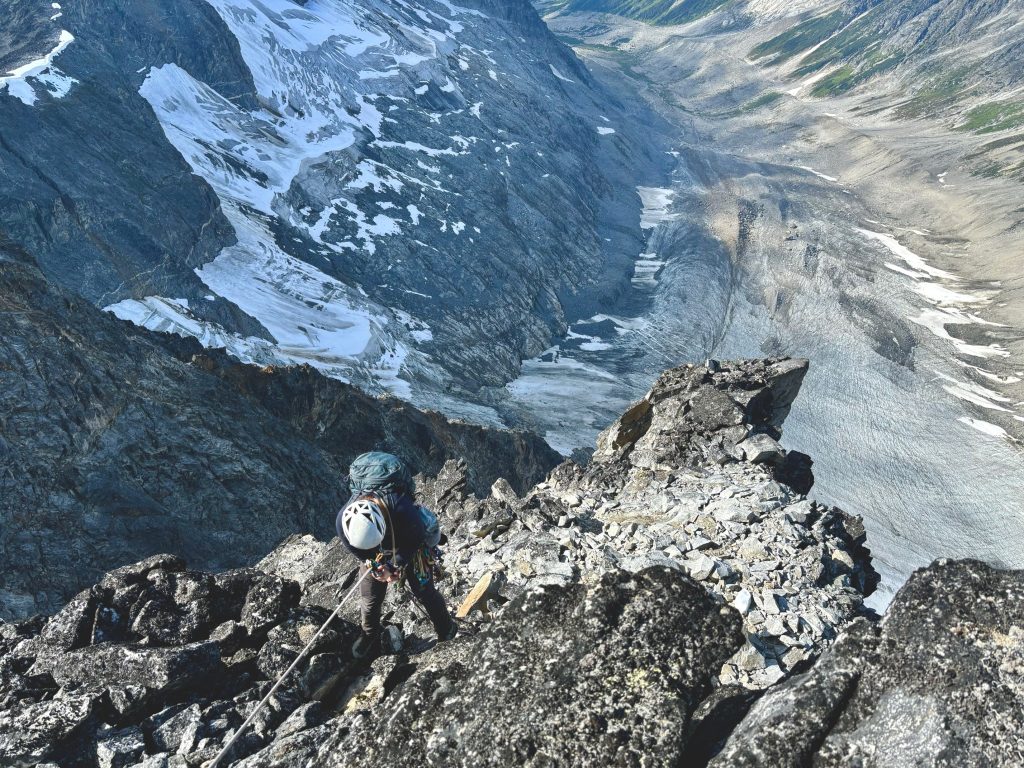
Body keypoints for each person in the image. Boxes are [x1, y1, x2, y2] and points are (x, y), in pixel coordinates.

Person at [337, 452, 456, 658]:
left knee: (424, 590)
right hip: (377, 550)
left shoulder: (402, 509)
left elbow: (414, 540)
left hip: (408, 541)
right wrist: (375, 564)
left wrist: (395, 565)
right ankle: (370, 635)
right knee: (370, 596)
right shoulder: (343, 523)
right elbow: (357, 550)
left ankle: (446, 629)